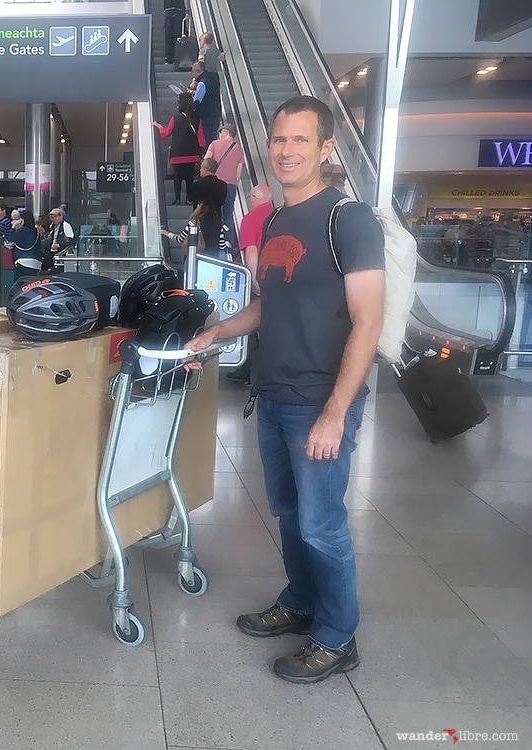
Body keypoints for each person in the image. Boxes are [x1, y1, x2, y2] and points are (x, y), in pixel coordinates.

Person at [186, 95, 384, 684]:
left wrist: (335, 413)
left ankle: (336, 634)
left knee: (323, 523)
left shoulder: (347, 219)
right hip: (272, 396)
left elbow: (368, 320)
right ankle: (300, 601)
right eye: (279, 139)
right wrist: (216, 333)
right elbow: (269, 305)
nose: (287, 150)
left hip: (321, 402)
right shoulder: (272, 220)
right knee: (291, 514)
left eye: (301, 140)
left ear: (326, 149)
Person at [225, 184, 275, 385]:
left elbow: (251, 251)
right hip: (282, 280)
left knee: (253, 325)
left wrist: (254, 278)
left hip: (261, 279)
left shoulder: (250, 219)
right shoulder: (280, 215)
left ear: (253, 198)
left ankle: (248, 372)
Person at [154, 92, 203, 205]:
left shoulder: (175, 118)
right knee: (189, 177)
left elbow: (166, 133)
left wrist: (158, 126)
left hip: (178, 154)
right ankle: (189, 199)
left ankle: (177, 198)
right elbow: (201, 137)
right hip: (192, 155)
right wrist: (202, 152)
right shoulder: (196, 118)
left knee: (177, 177)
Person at [205, 124, 245, 242]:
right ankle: (227, 240)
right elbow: (239, 171)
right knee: (228, 214)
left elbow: (206, 161)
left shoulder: (214, 144)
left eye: (221, 132)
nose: (220, 135)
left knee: (212, 211)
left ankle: (212, 238)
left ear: (226, 132)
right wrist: (234, 183)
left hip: (214, 183)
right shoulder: (238, 149)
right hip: (230, 185)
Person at [162, 200, 229, 260]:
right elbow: (222, 246)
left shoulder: (194, 222)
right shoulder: (218, 223)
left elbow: (180, 239)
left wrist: (168, 234)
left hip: (195, 258)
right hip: (213, 259)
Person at [189, 58, 222, 148]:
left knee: (207, 139)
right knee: (213, 137)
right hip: (216, 112)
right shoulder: (214, 78)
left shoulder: (202, 83)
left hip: (206, 116)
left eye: (192, 71)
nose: (192, 73)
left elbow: (197, 102)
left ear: (197, 71)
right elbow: (209, 93)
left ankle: (209, 157)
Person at [9, 209, 44, 277]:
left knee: (22, 284)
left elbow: (11, 238)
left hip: (23, 262)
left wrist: (13, 226)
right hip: (36, 264)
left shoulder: (23, 230)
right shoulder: (36, 232)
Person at [44, 207, 76, 273]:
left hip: (60, 252)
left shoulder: (66, 226)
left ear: (61, 216)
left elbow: (71, 240)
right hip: (52, 251)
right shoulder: (52, 226)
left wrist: (59, 245)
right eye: (52, 217)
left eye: (55, 217)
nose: (53, 219)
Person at [163, 0, 187, 65]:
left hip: (170, 9)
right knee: (175, 35)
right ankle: (173, 57)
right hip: (178, 9)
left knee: (169, 35)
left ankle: (170, 57)